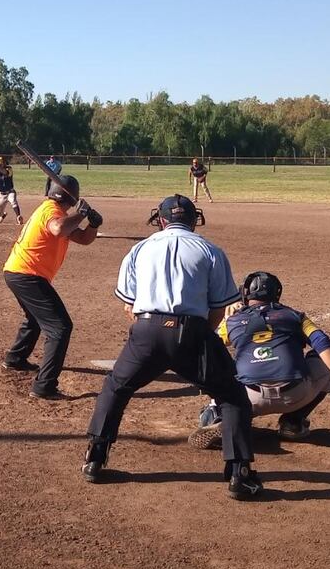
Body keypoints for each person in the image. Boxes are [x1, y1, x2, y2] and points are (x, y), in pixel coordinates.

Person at [82, 194, 262, 500]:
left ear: (161, 220)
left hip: (146, 332)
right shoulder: (210, 250)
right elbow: (217, 308)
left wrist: (150, 329)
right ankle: (239, 474)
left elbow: (129, 304)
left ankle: (95, 458)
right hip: (192, 331)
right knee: (232, 397)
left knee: (116, 386)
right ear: (194, 220)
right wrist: (196, 339)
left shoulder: (139, 249)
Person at [188, 271, 330, 450]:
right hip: (295, 395)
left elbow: (209, 348)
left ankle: (222, 418)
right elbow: (323, 342)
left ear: (245, 294)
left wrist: (227, 320)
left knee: (221, 362)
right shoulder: (295, 316)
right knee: (321, 358)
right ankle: (293, 423)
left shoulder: (232, 320)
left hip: (247, 398)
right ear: (277, 294)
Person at [1, 174, 102, 399]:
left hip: (20, 272)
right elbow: (58, 228)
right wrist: (81, 213)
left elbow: (83, 239)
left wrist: (92, 224)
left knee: (35, 318)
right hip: (26, 274)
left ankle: (15, 358)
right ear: (72, 197)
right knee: (60, 327)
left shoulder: (59, 214)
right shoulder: (51, 210)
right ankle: (44, 387)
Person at [0, 156, 24, 225]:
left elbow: (5, 173)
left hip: (10, 192)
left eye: (1, 164)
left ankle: (18, 217)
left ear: (4, 163)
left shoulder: (9, 169)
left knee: (13, 201)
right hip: (1, 195)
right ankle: (3, 215)